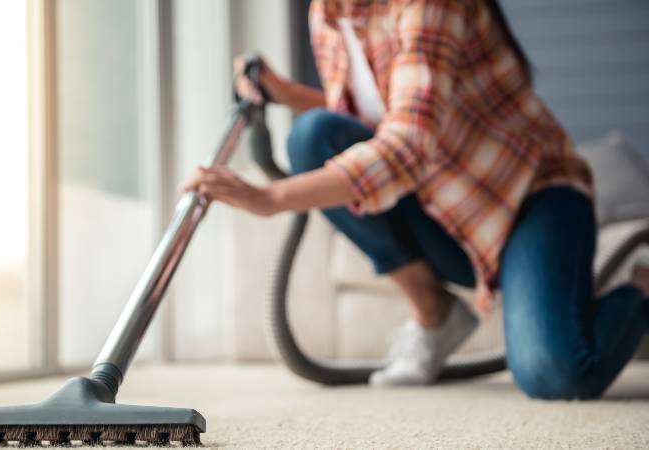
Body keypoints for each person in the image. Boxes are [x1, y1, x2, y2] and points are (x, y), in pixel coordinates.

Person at [184, 0, 649, 399]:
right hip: (448, 213)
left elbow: (408, 145)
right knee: (313, 136)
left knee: (559, 374)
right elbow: (366, 117)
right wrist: (285, 94)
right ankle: (436, 313)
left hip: (532, 199)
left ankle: (642, 286)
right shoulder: (328, 12)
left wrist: (272, 197)